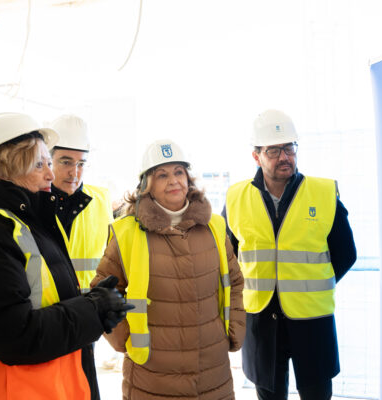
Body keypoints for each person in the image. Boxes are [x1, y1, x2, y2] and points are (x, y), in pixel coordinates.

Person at [0, 112, 133, 400]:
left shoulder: (20, 221)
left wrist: (90, 301)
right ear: (8, 166)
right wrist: (93, 310)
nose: (51, 174)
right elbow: (13, 335)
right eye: (40, 164)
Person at [92, 139, 246, 399]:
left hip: (212, 370)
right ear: (147, 186)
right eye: (162, 175)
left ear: (188, 177)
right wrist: (125, 340)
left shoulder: (215, 227)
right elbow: (104, 291)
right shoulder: (127, 233)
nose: (174, 180)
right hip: (153, 376)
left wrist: (235, 330)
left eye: (178, 172)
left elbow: (235, 282)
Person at [223, 109, 357, 400]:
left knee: (317, 393)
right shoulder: (236, 197)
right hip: (260, 318)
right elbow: (226, 258)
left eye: (289, 148)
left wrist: (310, 283)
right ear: (256, 156)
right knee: (269, 395)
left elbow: (346, 254)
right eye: (274, 150)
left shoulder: (323, 193)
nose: (285, 157)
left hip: (312, 318)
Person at [47, 114, 113, 293]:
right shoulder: (32, 202)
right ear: (48, 160)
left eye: (81, 163)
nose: (74, 173)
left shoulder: (102, 199)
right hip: (47, 312)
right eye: (66, 162)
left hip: (91, 311)